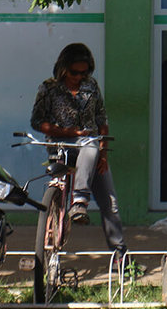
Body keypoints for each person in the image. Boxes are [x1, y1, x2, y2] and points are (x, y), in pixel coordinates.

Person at [31, 43, 126, 259]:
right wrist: (64, 131)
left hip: (91, 150)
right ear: (64, 68)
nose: (79, 77)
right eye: (74, 72)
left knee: (110, 204)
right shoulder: (49, 88)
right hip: (62, 147)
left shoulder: (91, 86)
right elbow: (37, 121)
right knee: (88, 144)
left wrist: (104, 154)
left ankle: (121, 259)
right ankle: (78, 201)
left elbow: (102, 120)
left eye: (84, 73)